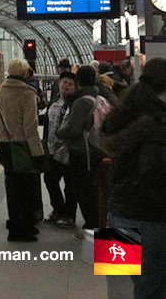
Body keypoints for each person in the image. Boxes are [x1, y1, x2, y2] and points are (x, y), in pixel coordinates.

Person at [100, 57, 166, 299]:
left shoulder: (124, 112)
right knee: (153, 290)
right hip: (150, 219)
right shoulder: (158, 123)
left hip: (117, 212)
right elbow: (155, 174)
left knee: (135, 284)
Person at [0, 58, 45, 242]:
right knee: (27, 188)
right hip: (22, 146)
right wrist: (37, 153)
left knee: (12, 188)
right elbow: (30, 129)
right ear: (24, 73)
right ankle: (24, 227)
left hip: (5, 146)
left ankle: (16, 225)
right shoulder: (27, 94)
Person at [56, 65, 105, 230]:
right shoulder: (99, 98)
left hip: (83, 152)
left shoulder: (81, 101)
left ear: (78, 81)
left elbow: (73, 130)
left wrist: (59, 132)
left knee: (84, 191)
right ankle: (96, 225)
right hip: (97, 149)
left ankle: (91, 227)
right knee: (93, 190)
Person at [41, 70, 77, 228]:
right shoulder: (54, 101)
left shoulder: (75, 104)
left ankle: (69, 215)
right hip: (51, 150)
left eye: (70, 84)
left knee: (70, 185)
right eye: (64, 82)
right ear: (59, 83)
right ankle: (59, 209)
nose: (66, 86)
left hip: (68, 151)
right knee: (49, 179)